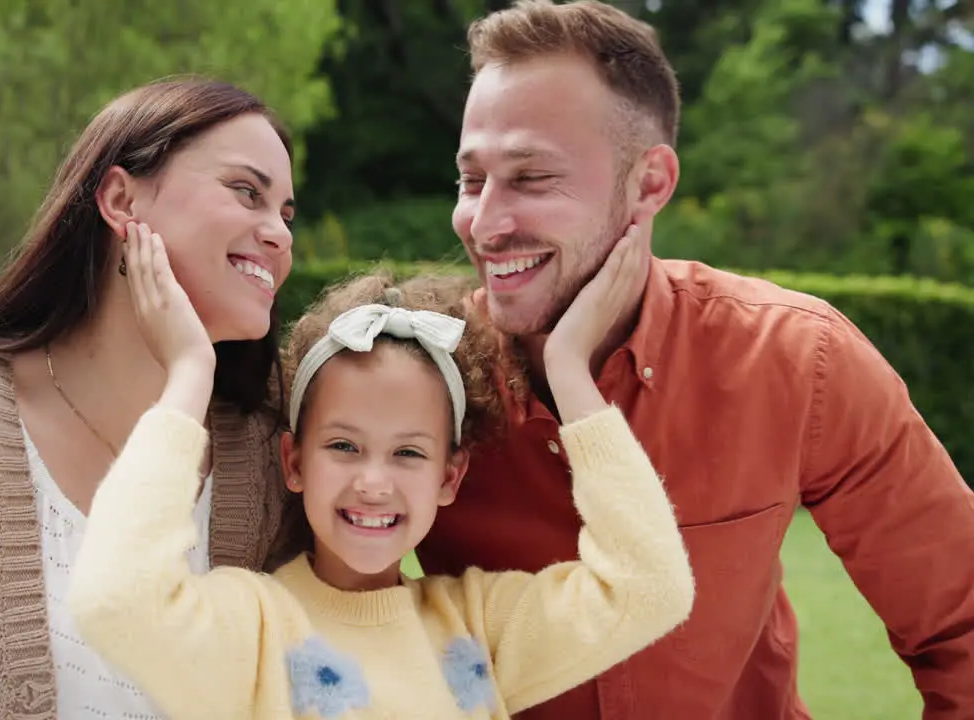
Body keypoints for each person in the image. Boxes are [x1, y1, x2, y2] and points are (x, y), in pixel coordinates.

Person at [417, 1, 974, 718]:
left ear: (649, 184)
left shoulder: (799, 360)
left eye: (530, 178)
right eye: (470, 181)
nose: (485, 222)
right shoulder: (419, 380)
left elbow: (960, 627)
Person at [0, 77, 306, 720]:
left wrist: (191, 371)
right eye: (246, 191)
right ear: (122, 199)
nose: (280, 235)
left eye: (286, 215)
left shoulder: (270, 446)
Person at [65, 219, 695, 719]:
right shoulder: (257, 632)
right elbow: (115, 601)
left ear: (450, 477)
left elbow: (649, 588)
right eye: (343, 446)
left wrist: (568, 370)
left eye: (409, 453)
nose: (373, 481)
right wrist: (188, 375)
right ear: (294, 462)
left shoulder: (476, 627)